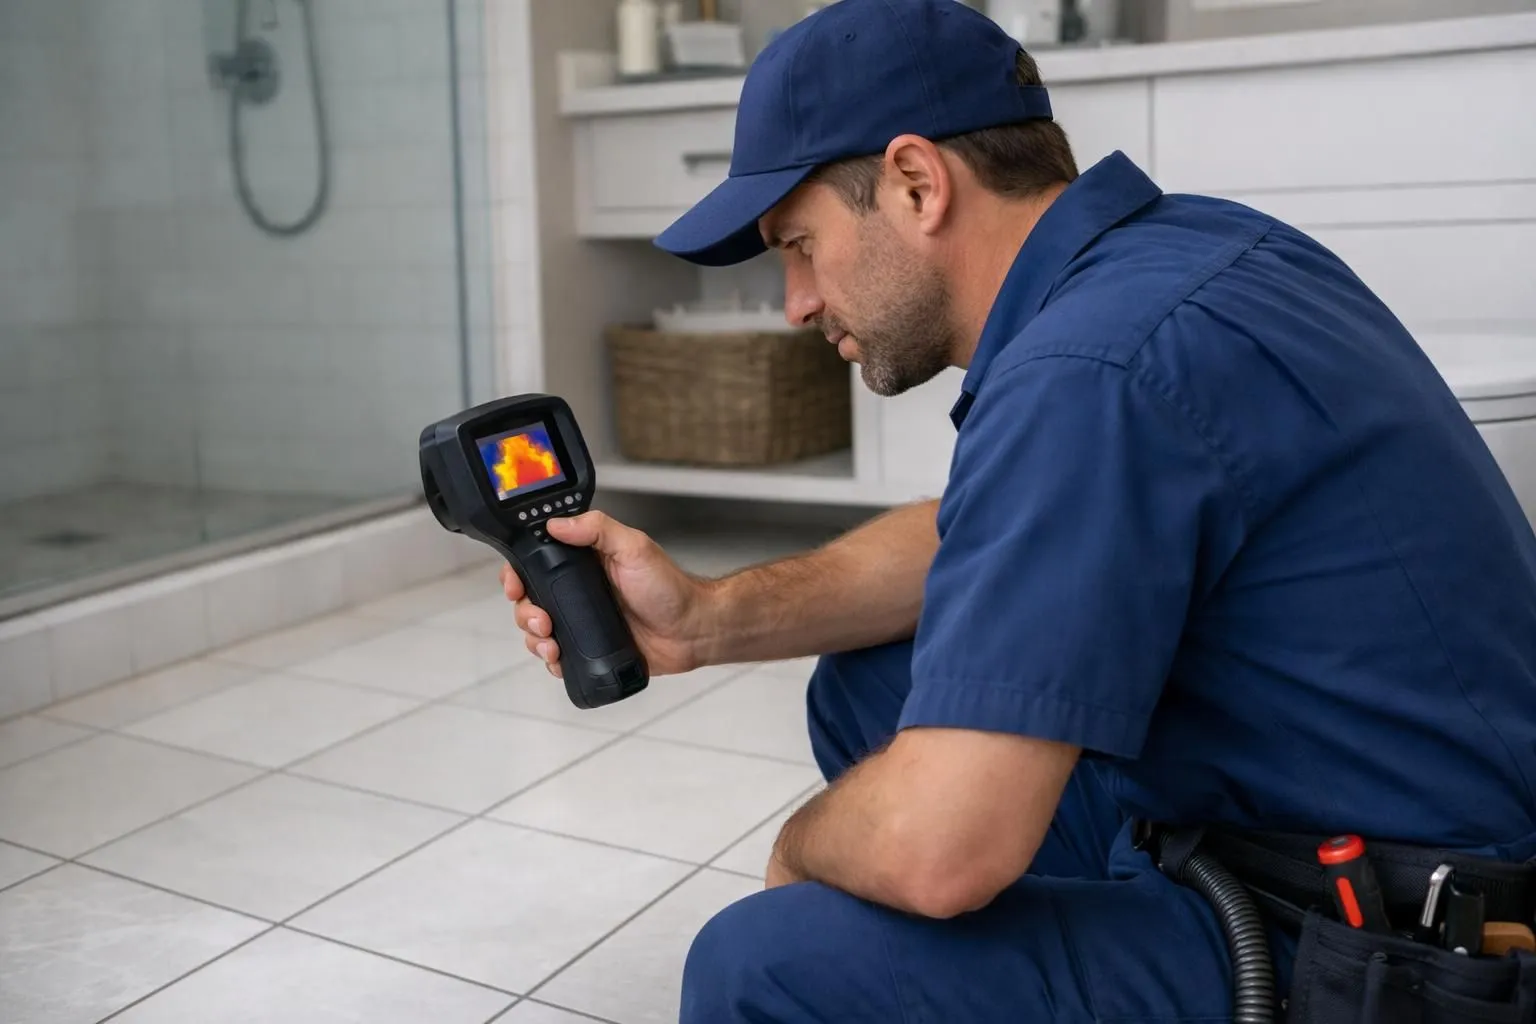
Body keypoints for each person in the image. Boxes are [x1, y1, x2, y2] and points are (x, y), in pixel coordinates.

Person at [502, 0, 1536, 1019]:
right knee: (875, 682)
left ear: (915, 182)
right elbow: (977, 534)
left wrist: (799, 846)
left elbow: (935, 851)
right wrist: (709, 617)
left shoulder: (1088, 367)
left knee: (767, 964)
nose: (798, 303)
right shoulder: (1177, 255)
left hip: (1393, 952)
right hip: (1365, 829)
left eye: (800, 243)